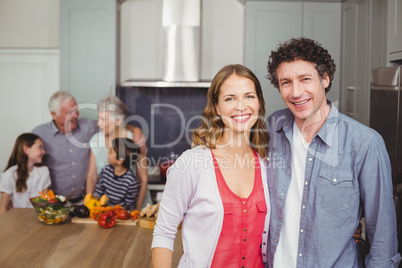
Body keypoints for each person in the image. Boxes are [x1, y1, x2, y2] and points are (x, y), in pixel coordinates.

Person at [265, 37, 401, 267]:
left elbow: (383, 237)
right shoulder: (272, 128)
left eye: (305, 79)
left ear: (325, 79)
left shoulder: (364, 143)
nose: (296, 92)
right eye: (286, 82)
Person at [152, 64, 270, 267]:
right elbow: (164, 233)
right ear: (217, 107)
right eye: (230, 98)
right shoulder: (192, 164)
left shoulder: (268, 164)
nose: (241, 106)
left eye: (249, 96)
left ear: (259, 102)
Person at [32, 91, 97, 203]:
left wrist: (134, 130)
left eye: (76, 110)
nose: (76, 116)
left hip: (84, 201)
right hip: (55, 203)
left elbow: (113, 126)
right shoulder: (39, 134)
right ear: (54, 114)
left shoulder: (87, 126)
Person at [86, 95, 148, 210]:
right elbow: (91, 176)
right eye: (99, 118)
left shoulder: (135, 140)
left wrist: (137, 211)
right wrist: (90, 205)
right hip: (108, 209)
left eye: (103, 119)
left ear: (118, 120)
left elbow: (143, 179)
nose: (98, 124)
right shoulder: (96, 140)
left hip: (134, 207)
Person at [0, 133, 51, 215]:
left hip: (39, 220)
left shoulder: (44, 171)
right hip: (17, 221)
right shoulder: (10, 174)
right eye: (40, 147)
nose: (44, 151)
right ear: (26, 150)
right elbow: (3, 208)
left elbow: (46, 202)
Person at [93, 138, 140, 209]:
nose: (108, 152)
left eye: (111, 151)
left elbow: (129, 207)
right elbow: (98, 191)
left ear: (120, 160)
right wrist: (93, 203)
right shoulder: (105, 170)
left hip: (120, 215)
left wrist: (113, 210)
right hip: (104, 212)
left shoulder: (131, 181)